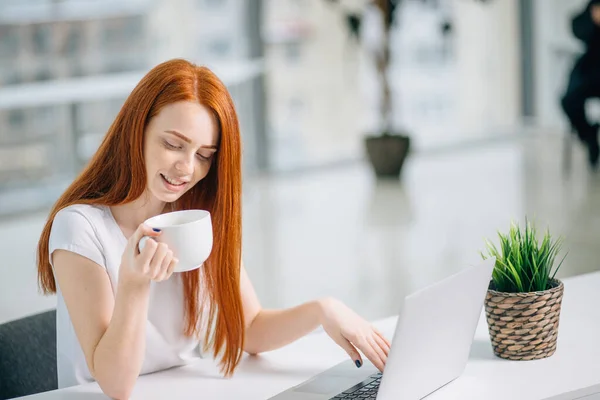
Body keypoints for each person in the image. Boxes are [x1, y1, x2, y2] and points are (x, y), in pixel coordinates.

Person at [36, 59, 390, 399]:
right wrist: (134, 285)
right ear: (136, 130)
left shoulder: (193, 219)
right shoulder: (80, 227)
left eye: (204, 155)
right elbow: (116, 386)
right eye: (173, 144)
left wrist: (322, 310)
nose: (186, 168)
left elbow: (249, 328)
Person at [561, 0, 600, 168]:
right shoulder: (593, 6)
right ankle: (589, 135)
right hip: (591, 69)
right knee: (569, 100)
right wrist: (594, 21)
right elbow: (578, 27)